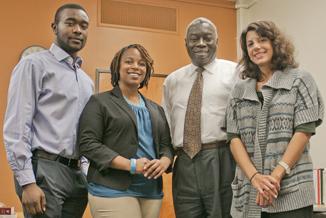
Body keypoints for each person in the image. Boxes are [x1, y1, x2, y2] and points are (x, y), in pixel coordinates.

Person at [226, 20, 324, 218]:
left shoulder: (300, 80)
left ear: (275, 43)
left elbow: (304, 131)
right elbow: (233, 137)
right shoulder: (239, 90)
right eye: (250, 44)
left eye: (262, 40)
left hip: (292, 192)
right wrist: (254, 178)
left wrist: (275, 177)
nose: (256, 47)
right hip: (249, 193)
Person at [3, 3, 93, 218]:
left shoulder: (86, 81)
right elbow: (17, 127)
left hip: (76, 176)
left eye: (84, 25)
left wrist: (86, 172)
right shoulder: (34, 65)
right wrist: (27, 182)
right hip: (43, 169)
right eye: (70, 23)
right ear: (54, 27)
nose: (78, 30)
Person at [77, 44, 174, 218]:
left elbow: (167, 146)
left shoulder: (156, 109)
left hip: (151, 191)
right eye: (129, 61)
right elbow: (88, 144)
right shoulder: (100, 102)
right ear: (117, 67)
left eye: (142, 63)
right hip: (111, 189)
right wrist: (132, 165)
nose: (136, 66)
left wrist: (164, 162)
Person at [162, 17, 237, 218]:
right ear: (186, 42)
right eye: (195, 38)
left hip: (222, 158)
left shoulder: (236, 73)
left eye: (207, 38)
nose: (201, 43)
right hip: (184, 161)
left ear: (217, 41)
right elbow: (167, 123)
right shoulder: (173, 80)